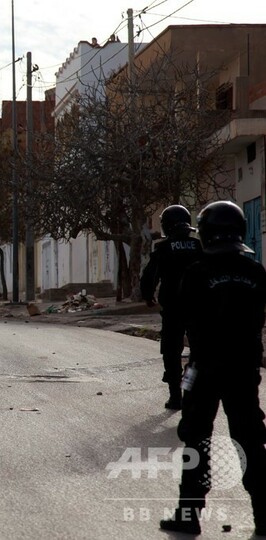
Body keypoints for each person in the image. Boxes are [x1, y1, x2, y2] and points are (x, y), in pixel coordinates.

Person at [160, 201, 266, 536]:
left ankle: (188, 516)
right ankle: (264, 516)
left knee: (196, 441)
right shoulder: (256, 272)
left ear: (205, 233)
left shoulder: (197, 273)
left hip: (205, 369)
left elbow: (180, 314)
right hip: (244, 370)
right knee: (251, 441)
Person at [140, 204, 203, 410]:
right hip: (197, 309)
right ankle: (189, 388)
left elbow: (149, 276)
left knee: (171, 352)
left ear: (166, 226)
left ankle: (176, 397)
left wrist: (148, 297)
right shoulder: (198, 247)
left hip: (173, 309)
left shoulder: (163, 249)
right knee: (198, 353)